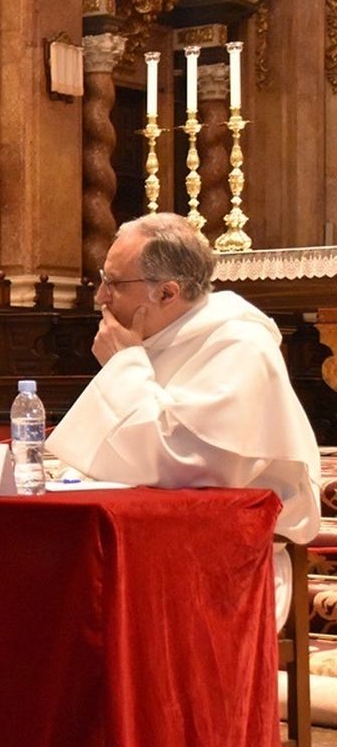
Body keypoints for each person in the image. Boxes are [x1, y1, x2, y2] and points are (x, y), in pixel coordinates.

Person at [47, 213, 320, 624]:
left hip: (225, 565)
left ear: (167, 292)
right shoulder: (153, 341)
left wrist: (123, 365)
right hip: (150, 547)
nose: (100, 296)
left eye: (114, 283)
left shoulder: (240, 345)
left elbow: (185, 466)